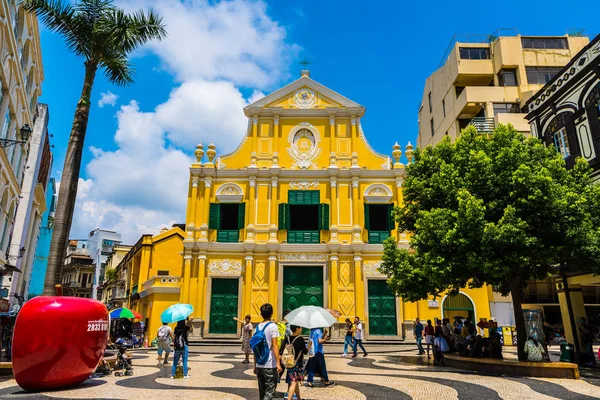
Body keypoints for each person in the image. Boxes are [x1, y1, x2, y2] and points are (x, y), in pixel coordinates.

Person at [254, 303, 281, 400]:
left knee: (262, 392)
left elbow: (255, 348)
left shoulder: (257, 328)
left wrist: (255, 365)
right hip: (269, 364)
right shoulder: (273, 326)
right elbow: (275, 345)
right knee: (270, 390)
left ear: (261, 314)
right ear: (272, 313)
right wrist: (278, 363)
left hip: (259, 364)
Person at [280, 325, 309, 400]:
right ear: (297, 329)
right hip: (297, 363)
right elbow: (305, 352)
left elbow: (282, 350)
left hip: (289, 362)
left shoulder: (287, 338)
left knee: (295, 381)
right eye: (300, 327)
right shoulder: (300, 339)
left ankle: (299, 398)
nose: (301, 329)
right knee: (294, 382)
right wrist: (309, 345)